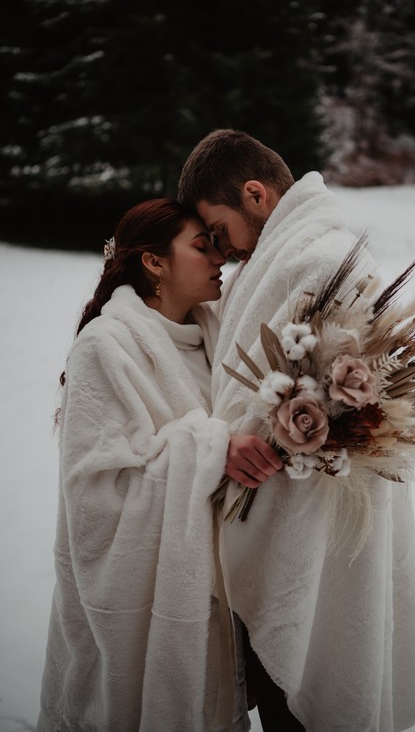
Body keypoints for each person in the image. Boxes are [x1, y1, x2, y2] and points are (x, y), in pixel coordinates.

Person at [177, 129, 415, 732]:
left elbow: (343, 391)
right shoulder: (287, 258)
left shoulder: (319, 259)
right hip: (275, 507)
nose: (222, 250)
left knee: (307, 689)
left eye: (219, 231)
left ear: (256, 194)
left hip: (309, 517)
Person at [36, 198, 283, 732]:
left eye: (218, 245)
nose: (220, 257)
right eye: (202, 246)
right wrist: (214, 450)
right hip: (132, 610)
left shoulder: (219, 336)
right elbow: (96, 490)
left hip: (219, 593)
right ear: (154, 262)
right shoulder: (105, 347)